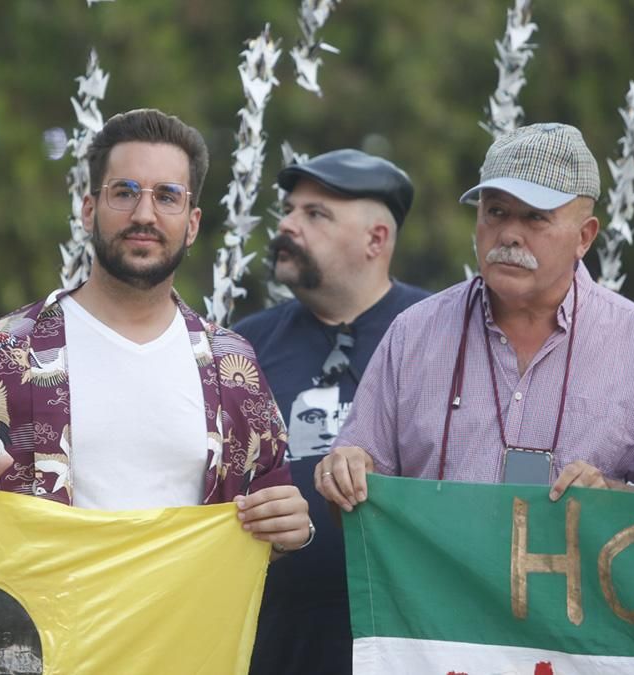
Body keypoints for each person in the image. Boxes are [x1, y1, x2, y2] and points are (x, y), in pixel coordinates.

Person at [0, 108, 312, 554]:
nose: (144, 214)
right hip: (39, 618)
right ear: (88, 210)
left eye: (167, 196)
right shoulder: (3, 353)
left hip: (189, 622)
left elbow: (271, 510)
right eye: (124, 192)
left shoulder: (232, 367)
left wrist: (290, 527)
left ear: (193, 224)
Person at [316, 122, 634, 512]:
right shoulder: (413, 334)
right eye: (496, 211)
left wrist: (612, 494)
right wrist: (344, 472)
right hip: (436, 575)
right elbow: (355, 482)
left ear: (585, 237)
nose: (509, 234)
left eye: (535, 217)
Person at [233, 149, 428, 675]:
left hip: (407, 644)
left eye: (316, 214)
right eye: (290, 210)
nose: (289, 225)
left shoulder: (439, 333)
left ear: (376, 240)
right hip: (272, 644)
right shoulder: (243, 347)